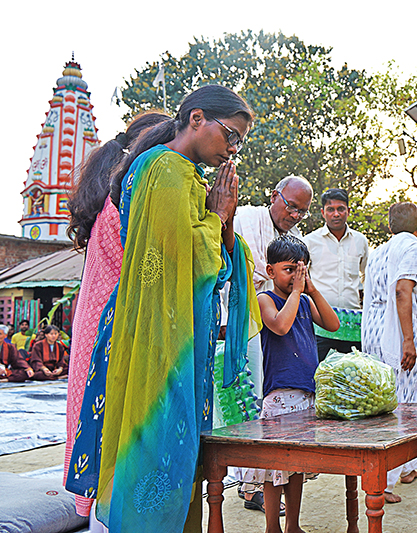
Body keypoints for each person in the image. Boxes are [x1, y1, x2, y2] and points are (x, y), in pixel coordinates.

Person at [66, 85, 260, 532]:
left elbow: (217, 259)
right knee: (154, 451)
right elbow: (188, 261)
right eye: (230, 135)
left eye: (240, 142)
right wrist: (218, 217)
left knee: (170, 452)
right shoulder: (166, 170)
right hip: (156, 338)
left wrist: (221, 220)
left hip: (167, 332)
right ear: (195, 118)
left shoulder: (183, 173)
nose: (233, 149)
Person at [64, 112, 171, 518]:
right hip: (114, 335)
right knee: (117, 444)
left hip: (94, 330)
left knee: (99, 438)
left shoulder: (110, 193)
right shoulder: (129, 196)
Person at [244, 235, 339, 533]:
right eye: (289, 270)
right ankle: (272, 526)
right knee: (275, 469)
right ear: (270, 271)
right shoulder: (265, 299)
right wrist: (298, 291)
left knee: (295, 465)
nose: (295, 277)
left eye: (301, 270)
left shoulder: (304, 299)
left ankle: (293, 525)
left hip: (306, 393)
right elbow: (281, 326)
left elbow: (333, 324)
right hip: (280, 395)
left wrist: (309, 289)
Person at [362, 202, 417, 504]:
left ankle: (408, 466)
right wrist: (408, 339)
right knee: (403, 404)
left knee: (390, 399)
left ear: (390, 227)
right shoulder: (412, 246)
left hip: (376, 331)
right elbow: (403, 290)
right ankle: (385, 480)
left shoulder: (379, 251)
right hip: (398, 333)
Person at [232, 176, 313, 402]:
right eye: (291, 207)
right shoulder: (244, 220)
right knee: (242, 392)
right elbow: (225, 271)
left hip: (279, 328)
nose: (295, 216)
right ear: (274, 196)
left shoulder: (296, 241)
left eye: (302, 212)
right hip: (240, 318)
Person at [303, 188, 369, 361]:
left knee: (351, 377)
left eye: (341, 209)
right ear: (323, 213)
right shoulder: (309, 241)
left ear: (348, 211)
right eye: (331, 209)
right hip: (319, 324)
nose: (336, 214)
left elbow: (366, 276)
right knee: (320, 376)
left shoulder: (360, 240)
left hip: (352, 324)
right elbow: (301, 279)